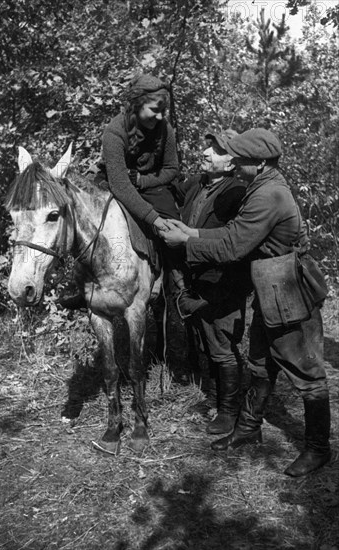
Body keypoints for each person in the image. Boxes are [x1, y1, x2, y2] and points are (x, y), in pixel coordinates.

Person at [160, 128, 331, 477]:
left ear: (262, 163)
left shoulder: (269, 195)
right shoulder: (260, 186)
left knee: (308, 375)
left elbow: (232, 247)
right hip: (271, 287)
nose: (234, 164)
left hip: (288, 290)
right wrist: (191, 231)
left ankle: (318, 449)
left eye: (242, 160)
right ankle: (249, 429)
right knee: (259, 363)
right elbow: (233, 233)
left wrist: (185, 242)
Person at [60, 73, 207, 318]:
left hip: (153, 188)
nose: (160, 116)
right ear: (136, 104)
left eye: (163, 111)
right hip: (115, 183)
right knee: (87, 219)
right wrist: (152, 218)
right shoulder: (114, 132)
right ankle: (83, 285)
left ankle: (182, 290)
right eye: (154, 110)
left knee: (171, 224)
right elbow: (120, 186)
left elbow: (172, 169)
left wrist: (145, 184)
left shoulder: (165, 128)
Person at [172, 129, 251, 436]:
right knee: (209, 344)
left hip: (224, 282)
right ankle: (218, 401)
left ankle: (230, 412)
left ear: (232, 163)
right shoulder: (198, 185)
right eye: (207, 146)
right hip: (198, 280)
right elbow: (169, 191)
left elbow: (235, 242)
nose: (205, 152)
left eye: (216, 150)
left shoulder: (237, 193)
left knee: (223, 347)